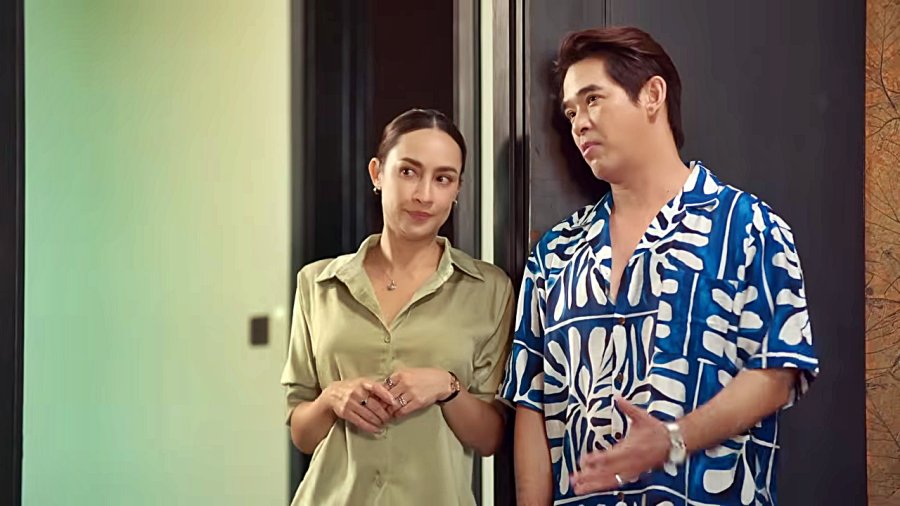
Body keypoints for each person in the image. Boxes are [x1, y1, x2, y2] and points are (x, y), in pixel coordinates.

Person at [498, 26, 819, 505]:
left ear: (652, 95)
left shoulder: (747, 226)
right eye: (570, 112)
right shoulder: (555, 253)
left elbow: (778, 370)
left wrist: (673, 438)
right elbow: (532, 401)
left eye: (593, 99)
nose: (579, 123)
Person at [281, 108, 514, 505]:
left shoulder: (489, 289)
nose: (424, 194)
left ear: (457, 189)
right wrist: (331, 399)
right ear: (377, 173)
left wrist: (447, 387)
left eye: (443, 178)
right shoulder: (318, 284)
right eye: (408, 172)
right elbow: (302, 434)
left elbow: (491, 438)